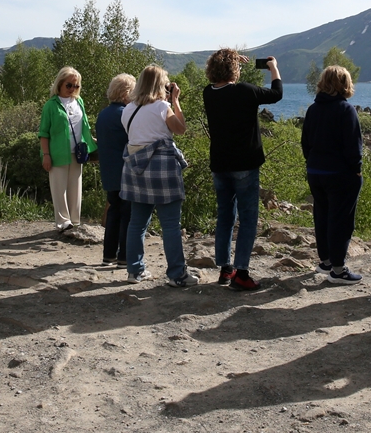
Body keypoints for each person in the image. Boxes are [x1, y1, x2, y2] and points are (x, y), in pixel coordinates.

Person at [202, 49, 283, 290]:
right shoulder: (246, 91)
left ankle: (226, 270)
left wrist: (231, 59)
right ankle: (242, 273)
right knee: (248, 219)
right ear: (234, 70)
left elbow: (226, 85)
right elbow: (277, 94)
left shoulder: (209, 93)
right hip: (245, 165)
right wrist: (273, 68)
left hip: (220, 165)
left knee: (226, 216)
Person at [121, 65, 196, 287]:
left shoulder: (128, 109)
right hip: (162, 170)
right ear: (160, 85)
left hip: (136, 169)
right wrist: (176, 101)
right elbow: (180, 129)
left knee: (137, 223)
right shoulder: (163, 107)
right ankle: (176, 274)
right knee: (171, 224)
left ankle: (135, 271)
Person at [301, 66, 364, 284]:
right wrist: (357, 168)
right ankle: (338, 269)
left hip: (316, 171)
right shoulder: (346, 110)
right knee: (341, 220)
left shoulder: (312, 109)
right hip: (340, 173)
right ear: (345, 84)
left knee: (322, 215)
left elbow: (305, 143)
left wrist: (313, 161)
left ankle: (326, 260)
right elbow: (353, 146)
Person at [38, 67, 97, 233]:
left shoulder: (79, 102)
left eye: (76, 86)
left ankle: (74, 221)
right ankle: (63, 222)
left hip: (77, 151)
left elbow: (84, 125)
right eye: (69, 85)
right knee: (59, 188)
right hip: (57, 152)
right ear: (60, 84)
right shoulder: (51, 105)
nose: (72, 89)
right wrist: (46, 155)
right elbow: (44, 133)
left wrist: (92, 142)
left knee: (75, 187)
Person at [96, 74, 135, 266]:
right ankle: (125, 256)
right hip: (126, 172)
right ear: (126, 93)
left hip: (109, 172)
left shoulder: (103, 114)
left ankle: (108, 254)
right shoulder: (125, 114)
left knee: (113, 212)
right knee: (128, 214)